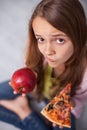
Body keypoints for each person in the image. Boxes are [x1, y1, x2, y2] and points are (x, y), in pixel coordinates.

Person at [0, 0, 87, 130]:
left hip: (61, 103)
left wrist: (69, 103)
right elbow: (32, 65)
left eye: (59, 40)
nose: (47, 51)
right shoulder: (38, 51)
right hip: (37, 87)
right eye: (41, 39)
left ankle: (24, 112)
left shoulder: (85, 75)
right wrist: (32, 73)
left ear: (79, 36)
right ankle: (25, 112)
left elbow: (79, 100)